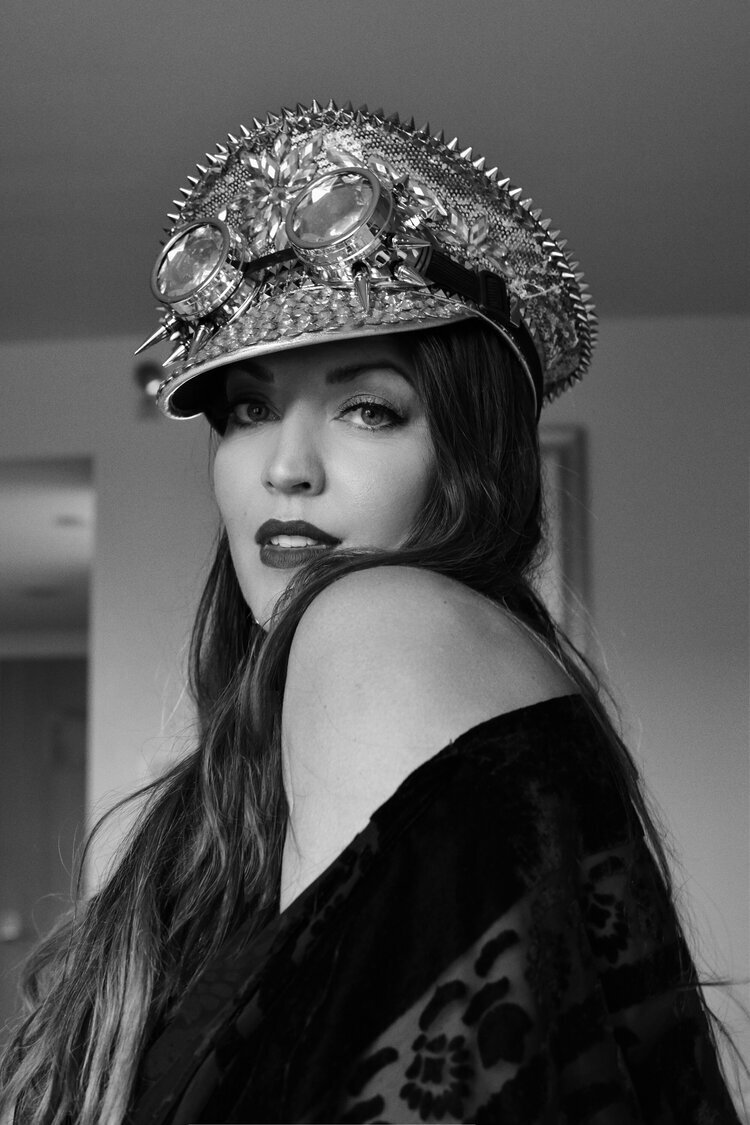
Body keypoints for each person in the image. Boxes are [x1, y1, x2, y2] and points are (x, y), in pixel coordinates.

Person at [0, 101, 742, 1124]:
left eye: (368, 409)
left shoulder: (377, 625)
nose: (286, 467)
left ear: (472, 460)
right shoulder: (221, 806)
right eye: (251, 407)